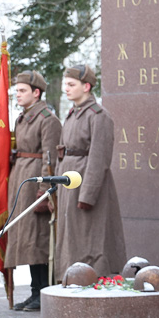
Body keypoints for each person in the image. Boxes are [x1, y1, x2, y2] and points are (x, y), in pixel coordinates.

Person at [53, 64, 126, 277]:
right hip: (69, 182)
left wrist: (87, 194)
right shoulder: (72, 115)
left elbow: (99, 157)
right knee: (71, 237)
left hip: (86, 183)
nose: (66, 89)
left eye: (71, 84)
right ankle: (72, 279)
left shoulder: (98, 115)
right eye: (65, 84)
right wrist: (56, 187)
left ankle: (92, 280)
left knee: (91, 237)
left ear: (86, 86)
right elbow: (62, 152)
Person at [4, 71, 62, 311]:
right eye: (16, 90)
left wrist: (45, 191)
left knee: (39, 240)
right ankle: (33, 291)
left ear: (36, 93)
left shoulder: (47, 119)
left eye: (22, 90)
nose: (17, 94)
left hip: (36, 183)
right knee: (25, 241)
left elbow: (49, 157)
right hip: (21, 180)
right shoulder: (21, 118)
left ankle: (43, 291)